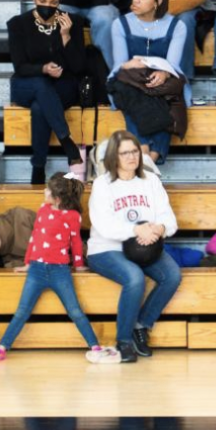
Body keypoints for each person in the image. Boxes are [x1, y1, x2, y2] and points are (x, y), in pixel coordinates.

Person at [0, 174, 115, 366]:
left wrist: (78, 265)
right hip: (36, 270)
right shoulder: (43, 210)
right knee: (21, 312)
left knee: (75, 311)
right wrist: (28, 263)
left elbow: (76, 241)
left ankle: (95, 347)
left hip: (60, 271)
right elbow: (34, 238)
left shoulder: (72, 216)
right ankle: (2, 348)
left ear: (58, 198)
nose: (44, 191)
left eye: (48, 190)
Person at [84, 130, 182, 365]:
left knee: (172, 275)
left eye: (135, 151)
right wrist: (137, 230)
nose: (131, 157)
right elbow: (105, 226)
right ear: (113, 157)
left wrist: (157, 229)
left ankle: (141, 325)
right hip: (106, 249)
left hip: (144, 246)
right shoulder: (102, 184)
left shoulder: (151, 181)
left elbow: (170, 220)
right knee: (134, 277)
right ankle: (124, 341)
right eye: (124, 153)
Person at [7, 0, 88, 185]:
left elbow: (78, 67)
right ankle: (67, 142)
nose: (47, 6)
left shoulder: (72, 23)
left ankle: (38, 167)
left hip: (62, 87)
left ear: (59, 1)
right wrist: (43, 68)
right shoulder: (18, 24)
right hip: (26, 84)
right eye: (43, 1)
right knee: (40, 84)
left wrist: (66, 36)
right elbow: (20, 67)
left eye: (53, 2)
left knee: (40, 107)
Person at [105, 0, 190, 164]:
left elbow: (172, 64)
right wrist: (136, 65)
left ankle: (148, 158)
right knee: (134, 93)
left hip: (162, 78)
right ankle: (146, 152)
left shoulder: (177, 26)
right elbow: (122, 64)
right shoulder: (120, 24)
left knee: (160, 92)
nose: (136, 0)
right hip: (130, 80)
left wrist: (164, 73)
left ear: (158, 1)